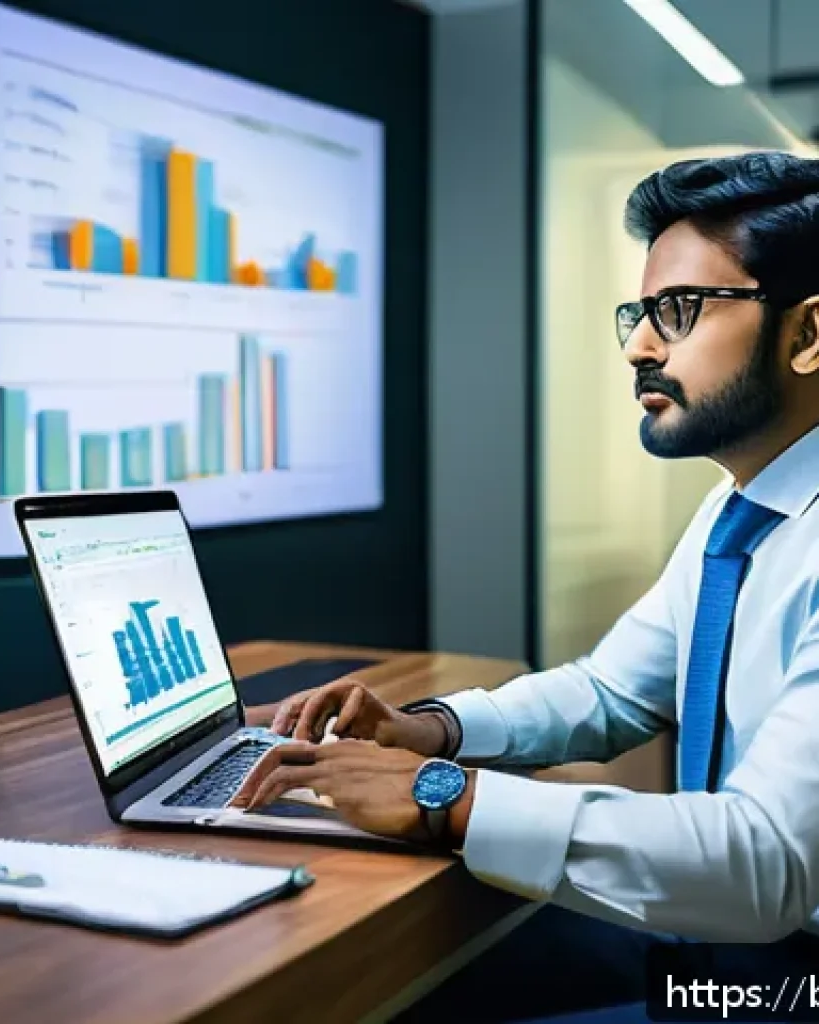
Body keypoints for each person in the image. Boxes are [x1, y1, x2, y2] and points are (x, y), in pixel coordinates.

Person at [232, 151, 819, 1022]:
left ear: (808, 334)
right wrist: (428, 730)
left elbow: (765, 866)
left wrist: (445, 798)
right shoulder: (744, 508)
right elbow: (613, 690)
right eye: (642, 312)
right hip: (725, 950)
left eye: (680, 311)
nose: (638, 345)